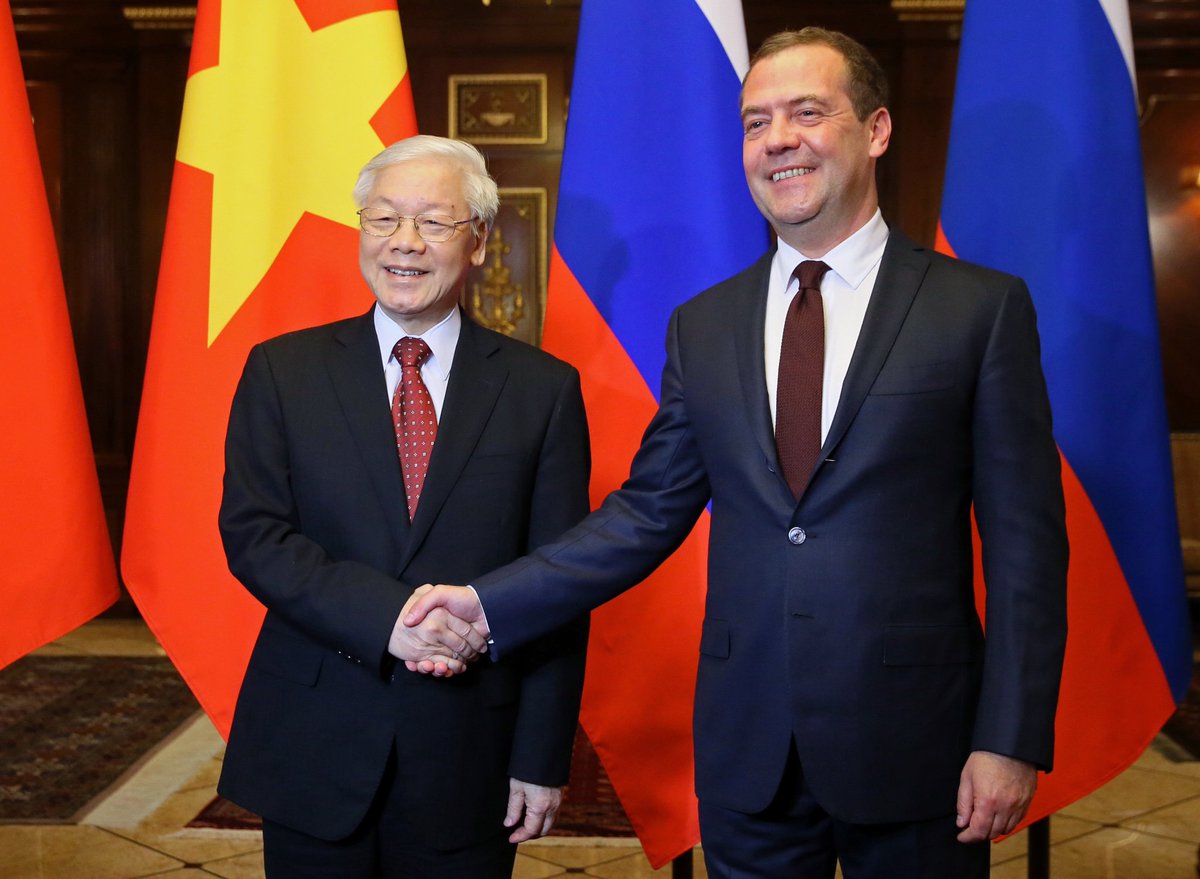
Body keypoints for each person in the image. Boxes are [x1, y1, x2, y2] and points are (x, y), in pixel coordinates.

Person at [403, 27, 1068, 879]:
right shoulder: (705, 324)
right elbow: (645, 514)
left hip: (918, 747)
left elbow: (1025, 549)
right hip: (749, 754)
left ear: (876, 130)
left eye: (807, 113)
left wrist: (1009, 737)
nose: (777, 139)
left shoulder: (979, 309)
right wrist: (487, 602)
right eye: (756, 122)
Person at [216, 134, 592, 878]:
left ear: (478, 240)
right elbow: (255, 535)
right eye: (384, 219)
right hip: (313, 743)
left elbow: (560, 584)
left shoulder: (542, 390)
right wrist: (388, 619)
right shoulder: (283, 371)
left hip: (469, 751)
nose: (405, 242)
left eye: (434, 221)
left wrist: (541, 754)